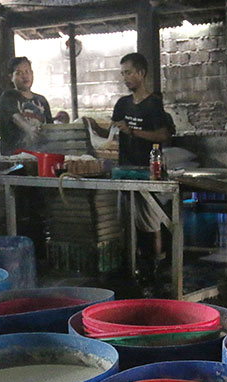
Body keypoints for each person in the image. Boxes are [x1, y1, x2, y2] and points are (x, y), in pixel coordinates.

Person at [85, 53, 174, 290]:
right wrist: (94, 127)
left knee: (150, 222)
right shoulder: (122, 104)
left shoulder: (153, 104)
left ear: (141, 73)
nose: (125, 77)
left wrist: (133, 132)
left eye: (129, 72)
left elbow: (163, 134)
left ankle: (154, 271)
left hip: (148, 171)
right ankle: (132, 269)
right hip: (125, 171)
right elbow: (113, 134)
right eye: (123, 73)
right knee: (126, 221)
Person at [0, 57, 53, 155]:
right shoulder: (8, 96)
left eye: (27, 71)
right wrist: (29, 128)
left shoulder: (42, 100)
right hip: (14, 157)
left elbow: (50, 127)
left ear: (32, 74)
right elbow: (16, 117)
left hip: (40, 155)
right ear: (11, 77)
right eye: (19, 73)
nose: (24, 76)